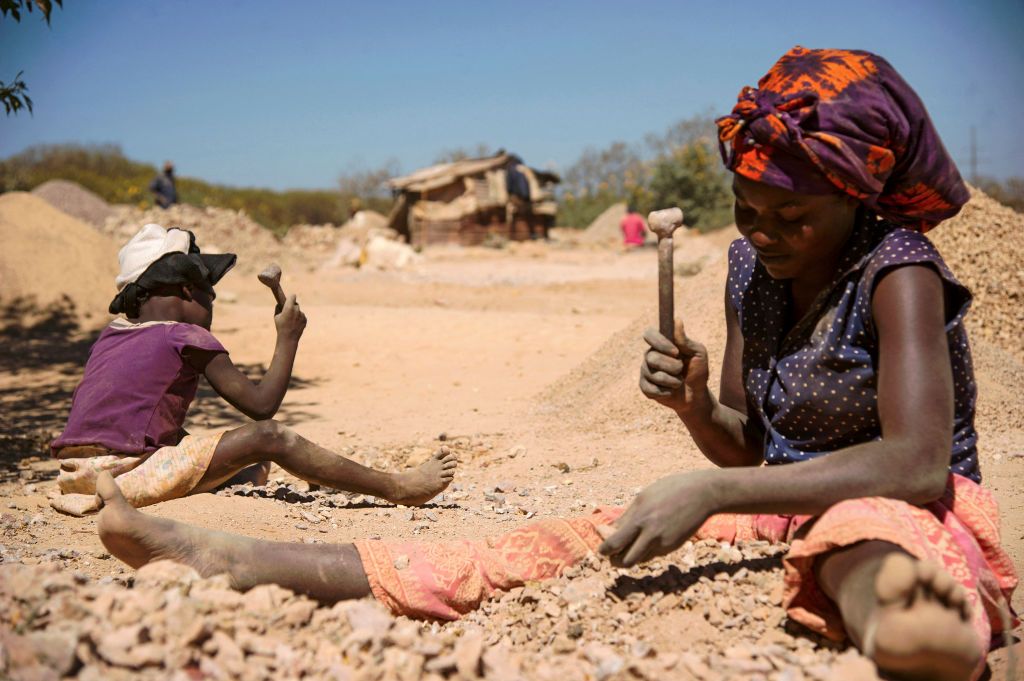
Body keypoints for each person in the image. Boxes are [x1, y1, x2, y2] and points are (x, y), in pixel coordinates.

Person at [91, 48, 1015, 681]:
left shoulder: (898, 272)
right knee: (524, 548)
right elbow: (751, 454)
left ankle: (904, 619)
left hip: (907, 508)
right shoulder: (750, 273)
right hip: (778, 504)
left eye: (793, 215)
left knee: (860, 538)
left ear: (857, 197)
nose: (765, 233)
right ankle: (230, 553)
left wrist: (711, 492)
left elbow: (917, 459)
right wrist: (698, 409)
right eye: (748, 208)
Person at [50, 223, 456, 517]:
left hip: (76, 474)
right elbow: (262, 409)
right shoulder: (186, 336)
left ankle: (256, 477)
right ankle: (399, 487)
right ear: (189, 289)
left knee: (223, 454)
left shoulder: (112, 335)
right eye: (211, 294)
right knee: (269, 439)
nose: (211, 305)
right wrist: (288, 337)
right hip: (126, 473)